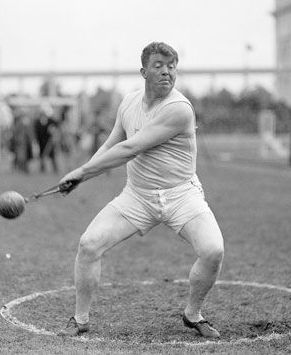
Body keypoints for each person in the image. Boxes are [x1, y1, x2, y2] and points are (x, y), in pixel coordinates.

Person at [57, 42, 224, 338]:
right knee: (89, 244)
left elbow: (130, 148)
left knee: (213, 251)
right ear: (143, 71)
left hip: (180, 195)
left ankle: (192, 313)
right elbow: (112, 143)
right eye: (159, 65)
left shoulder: (179, 109)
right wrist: (84, 172)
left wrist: (82, 173)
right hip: (138, 195)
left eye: (172, 66)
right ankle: (80, 318)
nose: (166, 72)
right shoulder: (129, 103)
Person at [34, 104, 60, 173]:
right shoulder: (37, 122)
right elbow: (36, 131)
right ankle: (42, 169)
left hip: (49, 141)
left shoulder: (51, 121)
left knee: (52, 156)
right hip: (41, 142)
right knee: (42, 156)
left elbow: (57, 127)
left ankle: (56, 170)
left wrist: (53, 130)